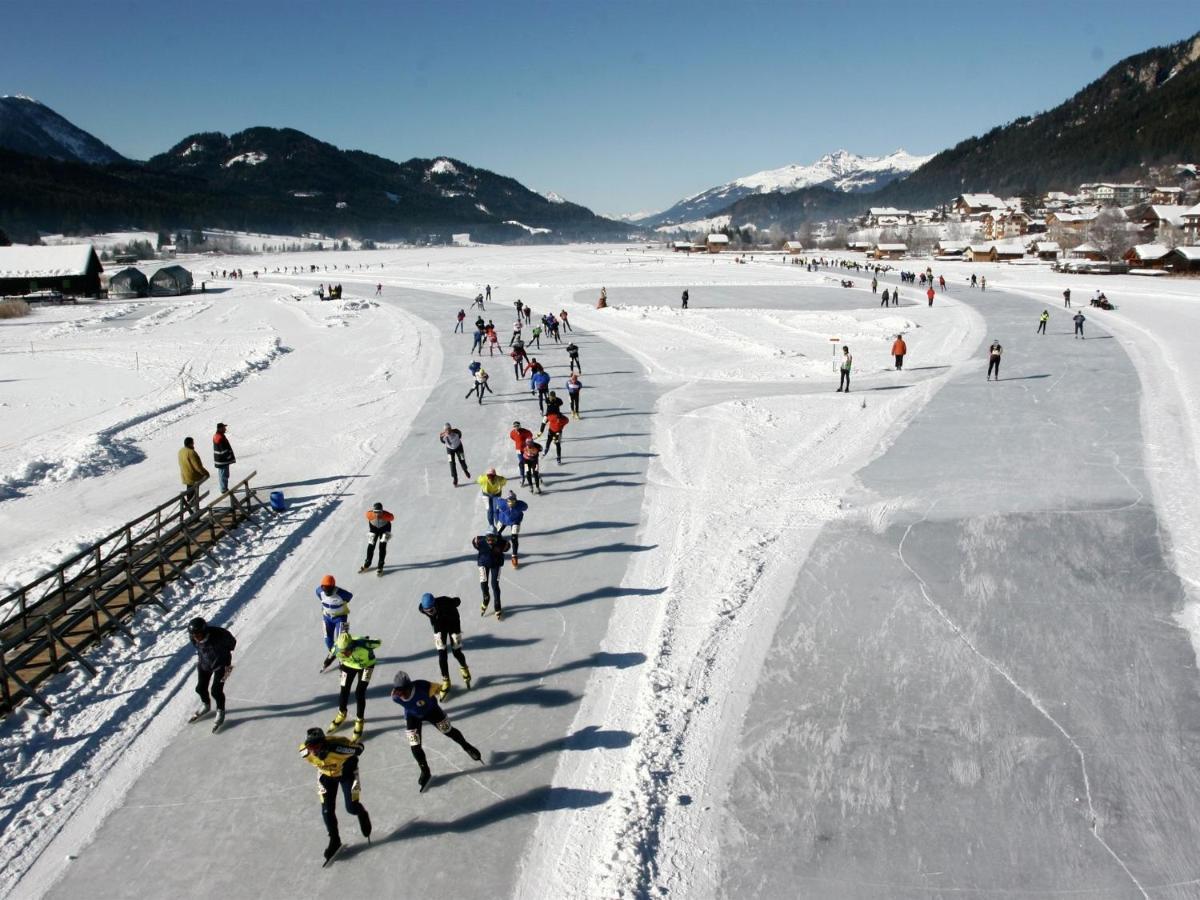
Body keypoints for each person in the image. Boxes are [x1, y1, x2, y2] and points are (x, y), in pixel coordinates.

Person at [390, 671, 482, 791]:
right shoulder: (395, 697)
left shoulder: (423, 686)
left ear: (410, 687)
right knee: (414, 745)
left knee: (449, 731)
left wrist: (440, 690)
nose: (401, 695)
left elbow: (440, 689)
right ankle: (425, 770)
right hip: (413, 717)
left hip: (432, 712)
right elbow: (408, 704)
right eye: (399, 692)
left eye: (403, 691)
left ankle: (467, 747)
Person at [298, 728, 372, 864]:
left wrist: (342, 749)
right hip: (325, 776)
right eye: (310, 747)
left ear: (324, 744)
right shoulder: (304, 751)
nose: (313, 751)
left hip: (347, 774)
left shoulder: (339, 747)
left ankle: (361, 813)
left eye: (316, 747)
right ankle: (334, 839)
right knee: (326, 810)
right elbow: (307, 752)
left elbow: (359, 748)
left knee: (351, 807)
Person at [328, 630, 381, 739]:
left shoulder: (363, 645)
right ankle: (341, 713)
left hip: (366, 666)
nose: (344, 654)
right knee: (344, 689)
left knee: (359, 693)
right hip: (348, 665)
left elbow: (379, 642)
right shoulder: (336, 649)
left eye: (346, 651)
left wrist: (365, 641)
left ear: (352, 646)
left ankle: (359, 720)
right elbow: (332, 655)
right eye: (342, 651)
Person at [418, 593, 471, 696]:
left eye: (432, 610)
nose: (430, 613)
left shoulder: (445, 603)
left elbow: (457, 601)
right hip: (439, 628)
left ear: (436, 605)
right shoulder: (421, 608)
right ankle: (446, 680)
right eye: (427, 611)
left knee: (456, 651)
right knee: (442, 655)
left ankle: (464, 668)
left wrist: (454, 601)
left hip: (453, 624)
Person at [187, 617, 236, 731]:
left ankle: (220, 710)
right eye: (193, 635)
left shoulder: (220, 634)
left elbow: (232, 644)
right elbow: (198, 648)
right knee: (200, 688)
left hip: (224, 667)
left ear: (204, 631)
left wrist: (223, 656)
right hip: (204, 665)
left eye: (198, 635)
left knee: (216, 691)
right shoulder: (193, 637)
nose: (196, 638)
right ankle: (206, 705)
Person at [318, 575, 352, 672]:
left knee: (342, 641)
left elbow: (350, 597)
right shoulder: (319, 591)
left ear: (334, 586)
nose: (326, 590)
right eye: (324, 588)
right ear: (321, 587)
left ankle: (343, 657)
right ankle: (334, 653)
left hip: (341, 618)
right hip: (327, 618)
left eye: (329, 588)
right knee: (328, 641)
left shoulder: (342, 593)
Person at [472, 532, 510, 618]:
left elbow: (507, 546)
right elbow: (474, 542)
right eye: (488, 540)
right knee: (483, 584)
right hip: (483, 563)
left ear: (496, 538)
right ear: (485, 538)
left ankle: (497, 605)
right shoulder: (480, 540)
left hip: (496, 565)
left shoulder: (501, 542)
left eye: (493, 540)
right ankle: (486, 598)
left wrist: (502, 550)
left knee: (495, 585)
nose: (490, 542)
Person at [495, 491, 528, 568]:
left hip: (515, 522)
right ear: (506, 501)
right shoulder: (502, 503)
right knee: (497, 535)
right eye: (509, 501)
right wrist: (497, 518)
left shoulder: (520, 505)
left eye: (513, 501)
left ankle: (514, 556)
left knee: (514, 538)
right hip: (503, 520)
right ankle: (497, 551)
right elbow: (496, 506)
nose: (511, 504)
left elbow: (525, 507)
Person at [359, 503, 394, 575]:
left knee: (382, 546)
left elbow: (392, 518)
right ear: (373, 511)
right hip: (373, 530)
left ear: (382, 511)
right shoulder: (368, 514)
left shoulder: (387, 515)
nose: (377, 514)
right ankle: (367, 563)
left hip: (385, 530)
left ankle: (380, 565)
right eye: (375, 512)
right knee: (371, 545)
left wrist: (386, 516)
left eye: (379, 512)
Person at [178, 437, 210, 510]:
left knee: (189, 492)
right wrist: (206, 473)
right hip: (193, 476)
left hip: (185, 475)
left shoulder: (181, 451)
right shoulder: (191, 452)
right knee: (193, 494)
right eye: (193, 443)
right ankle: (194, 512)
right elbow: (197, 466)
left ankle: (191, 509)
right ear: (190, 443)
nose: (193, 444)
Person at [212, 423, 235, 494]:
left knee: (224, 474)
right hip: (222, 460)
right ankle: (224, 489)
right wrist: (228, 456)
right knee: (223, 475)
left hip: (221, 460)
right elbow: (223, 450)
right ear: (220, 428)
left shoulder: (219, 436)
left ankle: (224, 488)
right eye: (224, 428)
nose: (225, 429)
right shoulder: (219, 437)